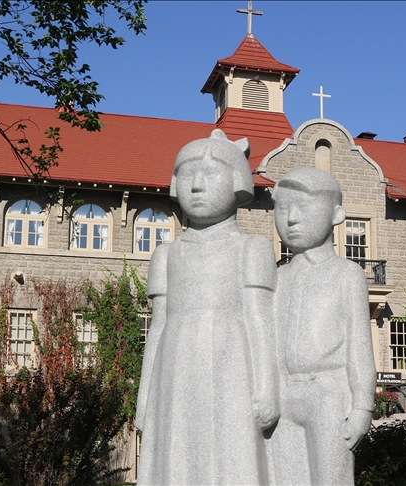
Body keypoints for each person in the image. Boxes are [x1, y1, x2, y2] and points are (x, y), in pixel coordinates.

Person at [134, 129, 278, 485]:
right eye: (187, 174)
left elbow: (261, 319)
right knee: (175, 454)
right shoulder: (166, 254)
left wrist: (267, 385)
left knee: (232, 454)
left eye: (210, 174)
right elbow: (158, 326)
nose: (196, 185)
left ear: (235, 182)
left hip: (234, 365)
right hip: (175, 366)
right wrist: (144, 395)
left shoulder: (252, 248)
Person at [268, 167, 376, 485]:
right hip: (282, 395)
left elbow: (359, 344)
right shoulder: (276, 278)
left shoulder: (347, 274)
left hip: (328, 392)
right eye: (283, 207)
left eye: (304, 207)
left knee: (331, 478)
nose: (291, 218)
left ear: (336, 215)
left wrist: (362, 405)